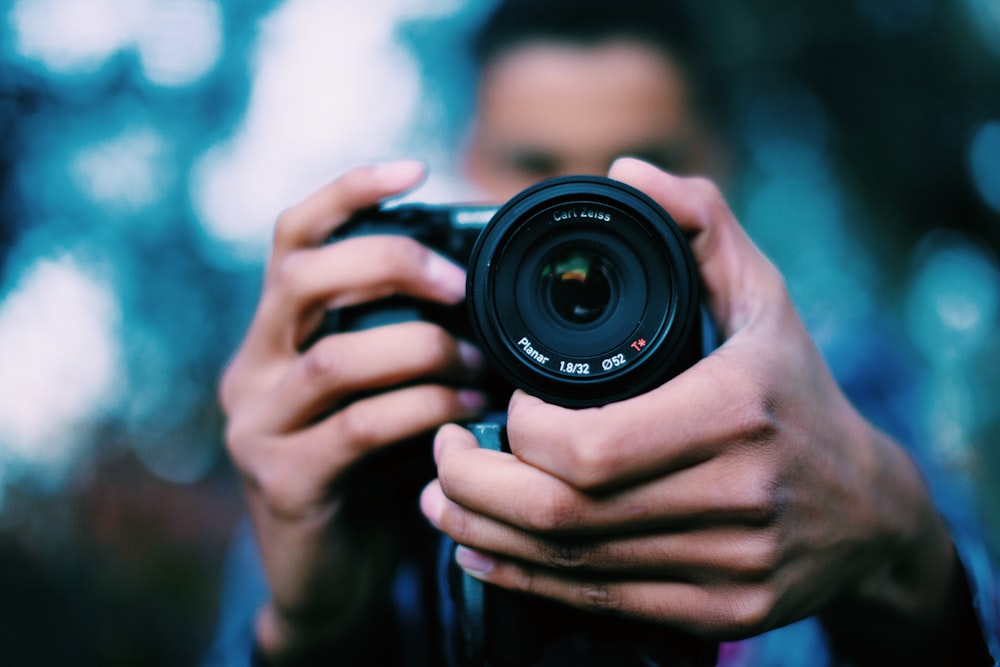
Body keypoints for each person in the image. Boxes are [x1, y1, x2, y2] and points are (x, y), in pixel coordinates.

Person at [207, 1, 998, 665]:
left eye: (637, 166)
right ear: (466, 167)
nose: (584, 217)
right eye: (535, 166)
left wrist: (898, 541)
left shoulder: (835, 388)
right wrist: (315, 629)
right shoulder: (376, 398)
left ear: (716, 164)